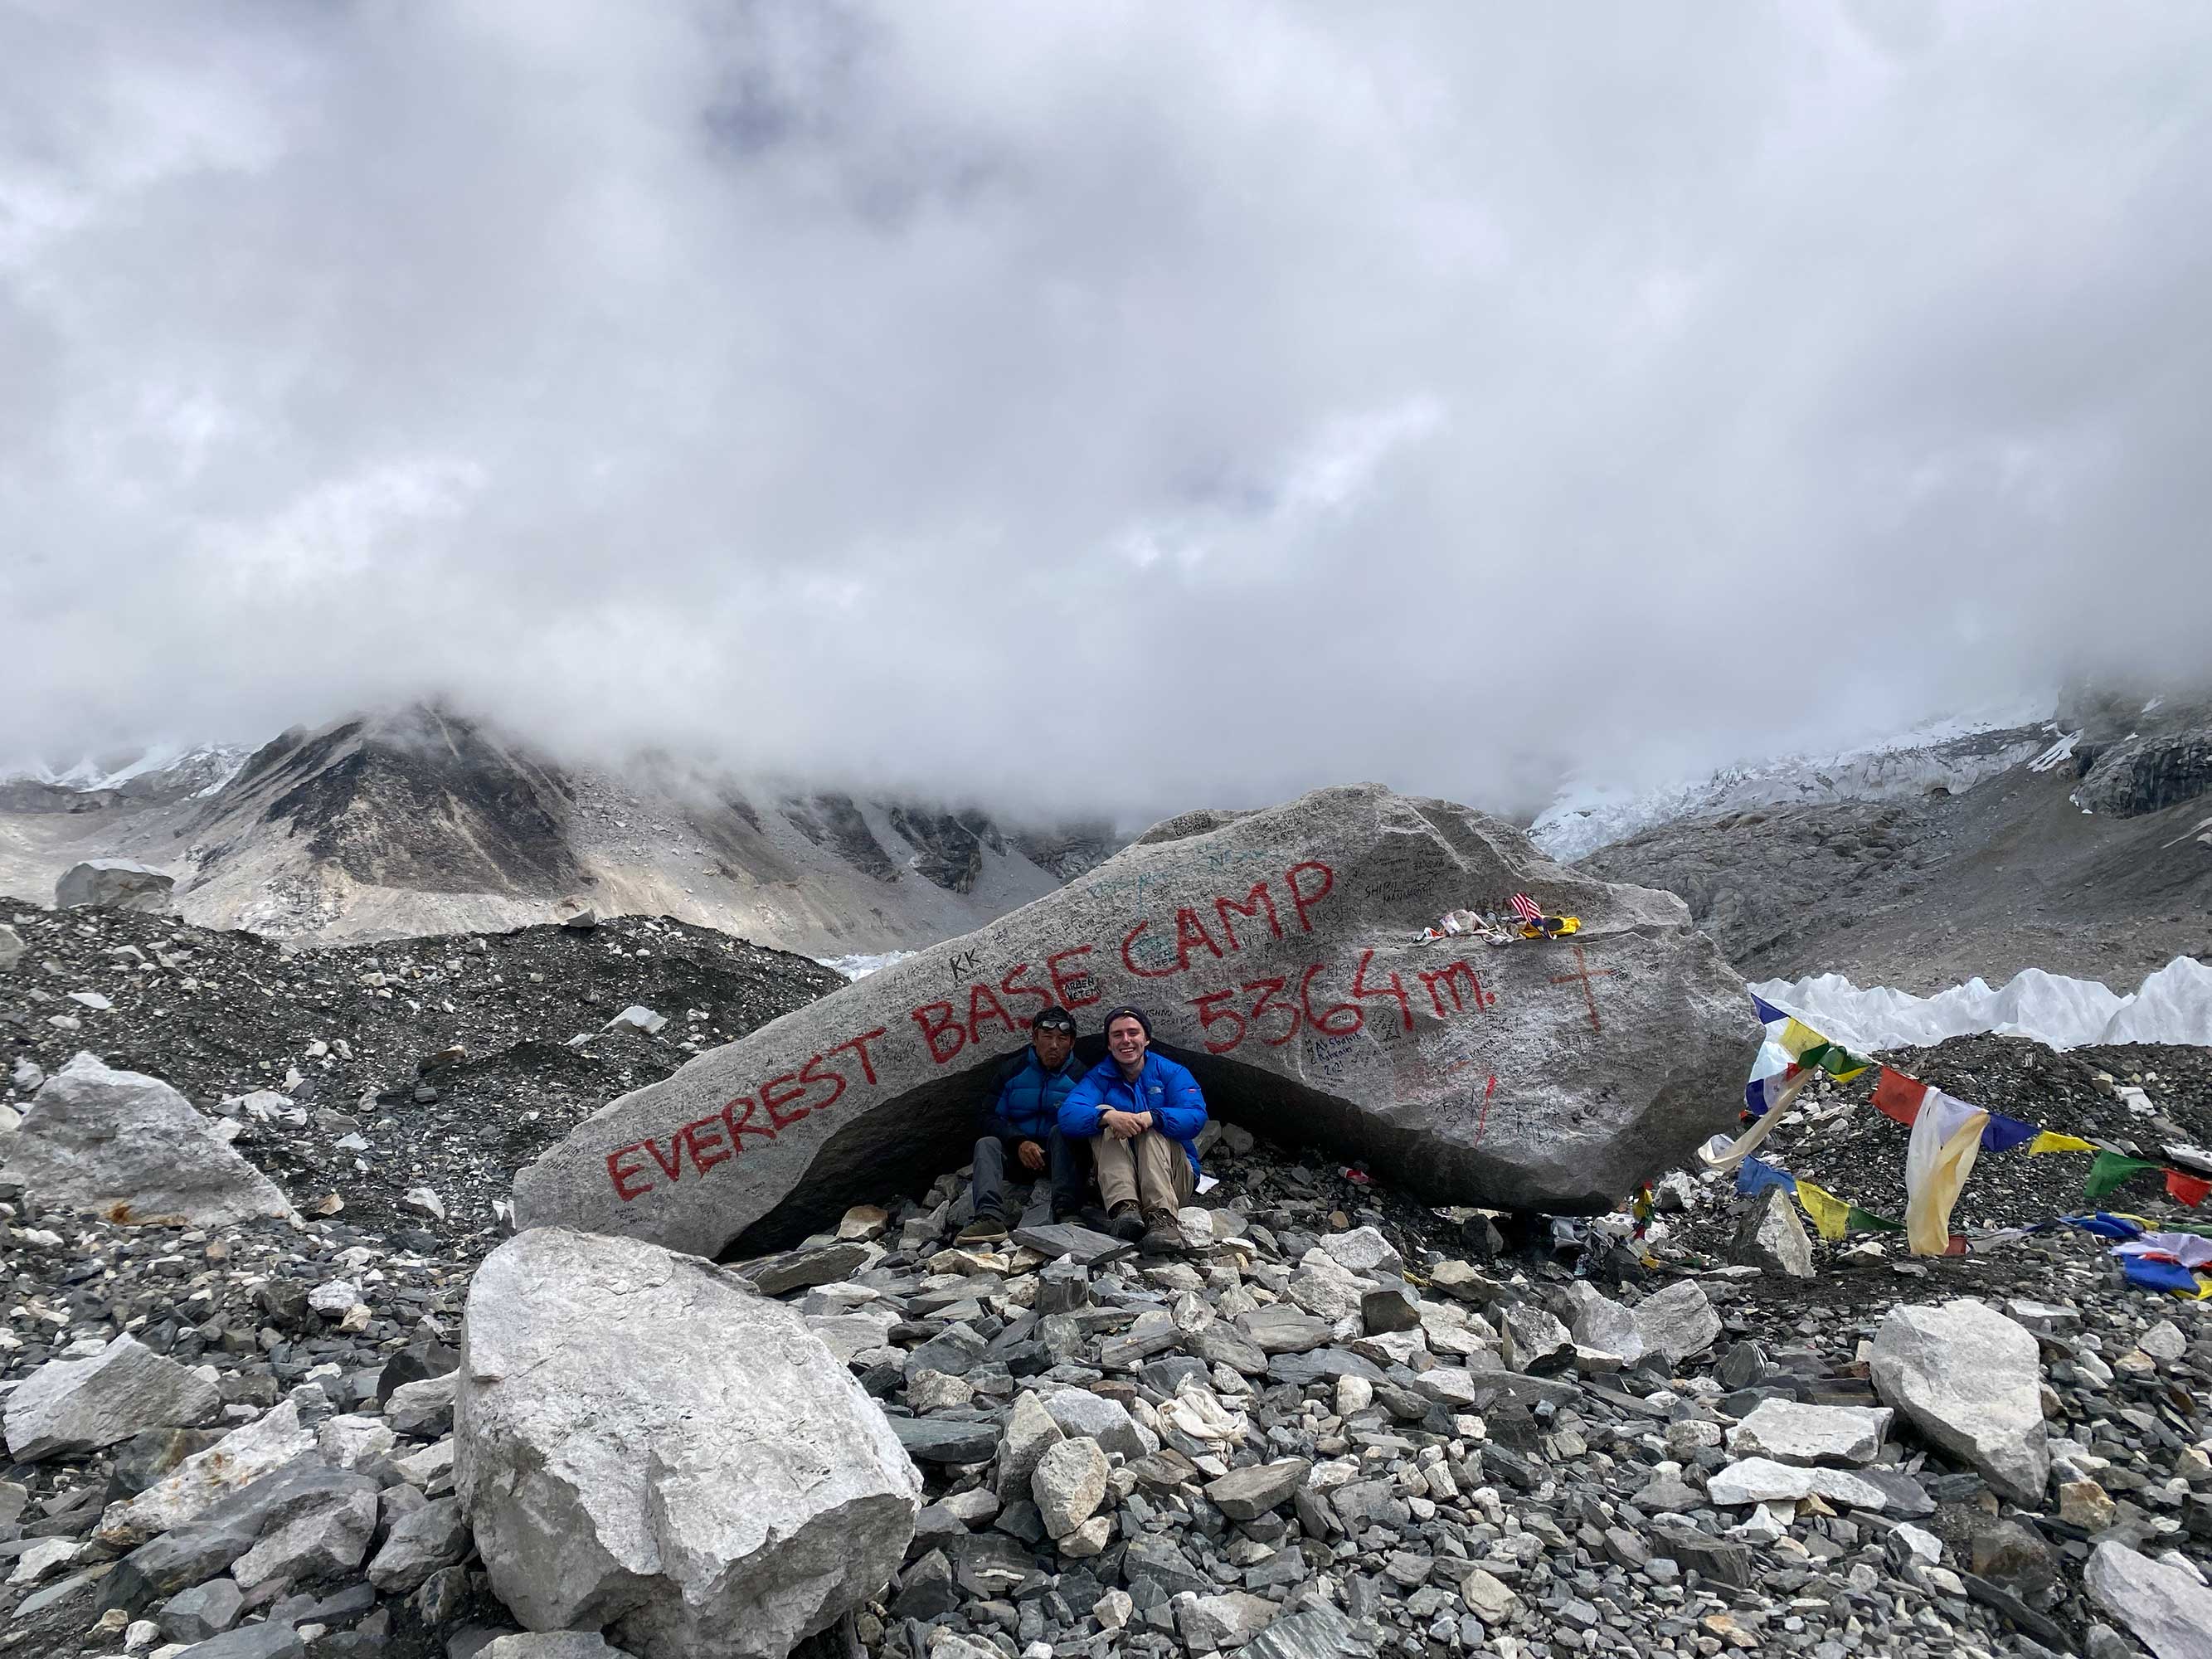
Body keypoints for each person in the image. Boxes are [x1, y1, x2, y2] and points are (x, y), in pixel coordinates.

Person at [1058, 1005, 1207, 1255]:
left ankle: (1162, 1219)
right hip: (1121, 1177)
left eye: (1133, 1033)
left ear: (1146, 1039)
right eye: (1117, 1035)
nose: (1126, 1040)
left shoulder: (1171, 1073)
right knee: (1103, 1115)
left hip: (1173, 1179)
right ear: (1109, 1044)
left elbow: (1196, 1115)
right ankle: (1125, 1210)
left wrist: (1152, 1117)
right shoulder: (1099, 1077)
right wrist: (1107, 1116)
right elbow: (1068, 1114)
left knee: (1152, 1127)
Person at [956, 1007, 1087, 1244]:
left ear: (1072, 1043)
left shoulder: (1082, 1077)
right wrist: (1017, 1141)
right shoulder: (1012, 1071)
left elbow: (1087, 1122)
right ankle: (989, 1217)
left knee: (1063, 1132)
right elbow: (988, 1117)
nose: (1054, 1045)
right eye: (1047, 1037)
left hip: (1058, 1159)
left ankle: (1067, 1212)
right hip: (1017, 1156)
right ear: (1035, 1038)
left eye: (1062, 1038)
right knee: (987, 1144)